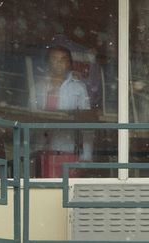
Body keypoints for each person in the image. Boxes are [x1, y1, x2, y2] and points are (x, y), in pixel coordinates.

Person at [32, 45, 93, 177]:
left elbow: (87, 124)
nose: (59, 63)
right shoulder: (38, 87)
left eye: (63, 59)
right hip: (41, 149)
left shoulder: (78, 88)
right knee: (44, 190)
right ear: (48, 63)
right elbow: (29, 117)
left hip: (68, 149)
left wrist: (86, 156)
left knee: (66, 191)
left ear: (69, 64)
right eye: (54, 59)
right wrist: (27, 152)